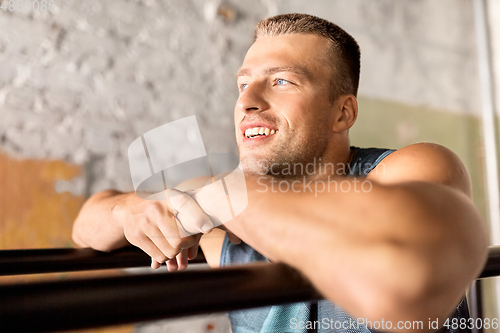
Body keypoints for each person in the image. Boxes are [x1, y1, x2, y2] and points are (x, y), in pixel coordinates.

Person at [72, 13, 488, 333]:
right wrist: (130, 210)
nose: (248, 101)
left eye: (283, 81)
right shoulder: (228, 223)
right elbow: (87, 226)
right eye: (242, 84)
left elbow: (407, 282)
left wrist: (219, 191)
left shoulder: (408, 168)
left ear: (342, 112)